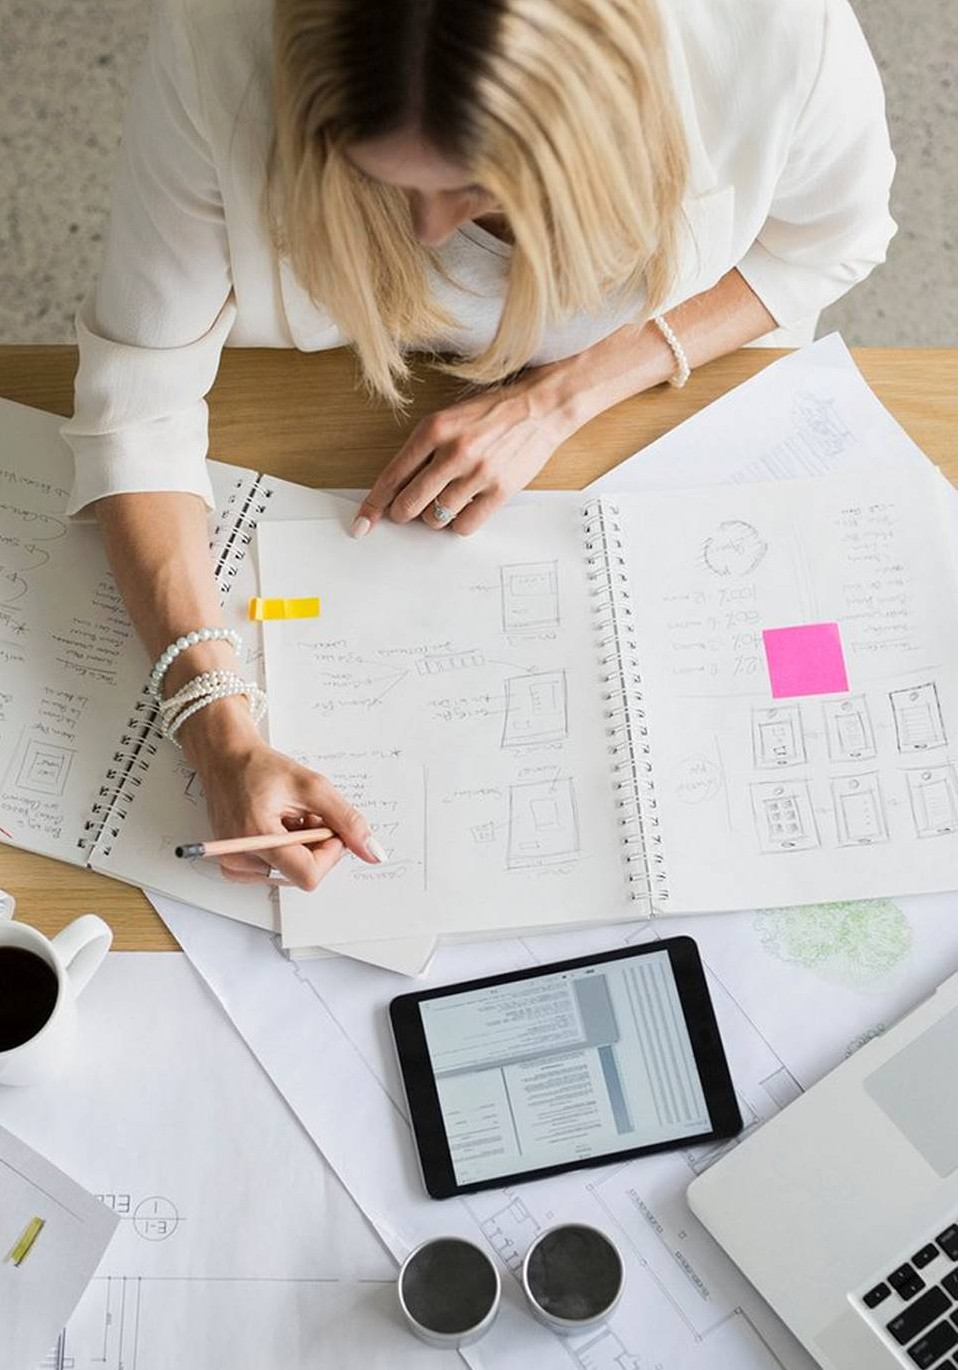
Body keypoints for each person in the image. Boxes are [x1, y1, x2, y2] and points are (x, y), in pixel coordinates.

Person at [63, 0, 896, 892]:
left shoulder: (778, 33)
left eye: (476, 190)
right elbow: (138, 402)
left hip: (660, 406)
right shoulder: (216, 42)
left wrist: (563, 396)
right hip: (319, 403)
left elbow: (828, 244)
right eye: (381, 176)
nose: (429, 231)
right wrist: (220, 729)